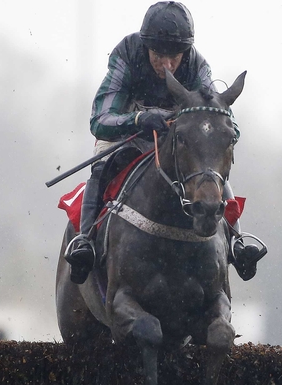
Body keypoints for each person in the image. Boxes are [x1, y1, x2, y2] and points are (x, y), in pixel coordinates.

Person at [64, 1, 266, 284]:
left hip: (176, 143)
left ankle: (237, 241)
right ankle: (85, 240)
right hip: (125, 138)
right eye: (159, 56)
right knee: (102, 166)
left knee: (209, 172)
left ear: (186, 52)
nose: (168, 65)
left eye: (175, 57)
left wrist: (217, 133)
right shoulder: (126, 54)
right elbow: (100, 119)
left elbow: (223, 122)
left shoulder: (197, 65)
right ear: (146, 46)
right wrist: (138, 120)